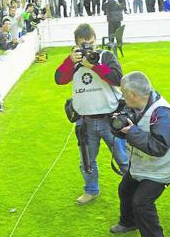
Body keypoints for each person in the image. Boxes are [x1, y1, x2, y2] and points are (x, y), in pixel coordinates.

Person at [110, 71, 170, 237]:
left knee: (141, 202)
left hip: (163, 168)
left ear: (134, 95)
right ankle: (129, 222)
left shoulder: (163, 114)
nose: (122, 97)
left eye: (124, 94)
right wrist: (119, 127)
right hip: (143, 164)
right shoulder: (135, 105)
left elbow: (158, 146)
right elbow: (126, 131)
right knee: (125, 189)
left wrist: (132, 131)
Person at [54, 24, 128, 204]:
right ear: (77, 44)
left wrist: (95, 66)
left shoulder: (105, 56)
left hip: (111, 119)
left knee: (123, 159)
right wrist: (70, 61)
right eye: (84, 45)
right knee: (86, 161)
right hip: (85, 121)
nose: (88, 48)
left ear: (95, 41)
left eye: (91, 44)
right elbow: (59, 79)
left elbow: (118, 79)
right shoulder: (74, 61)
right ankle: (91, 190)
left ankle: (133, 188)